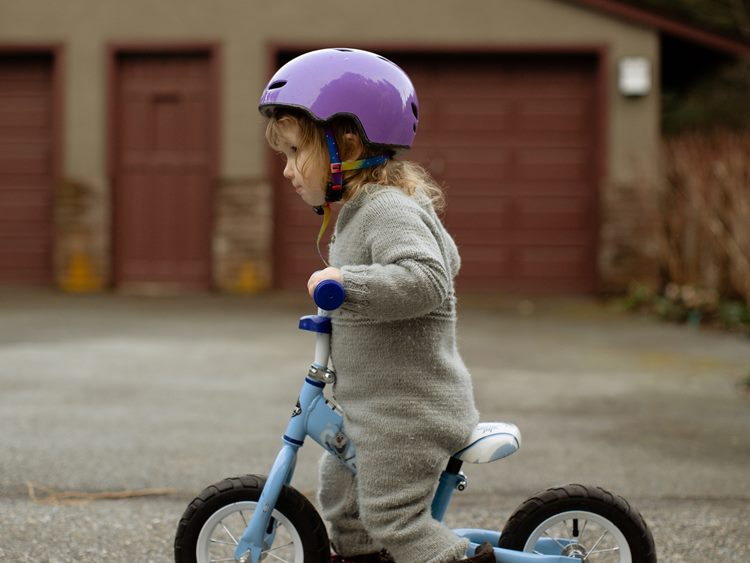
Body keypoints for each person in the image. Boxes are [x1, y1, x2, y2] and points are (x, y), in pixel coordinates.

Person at [259, 48, 494, 563]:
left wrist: (348, 285)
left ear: (345, 144)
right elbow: (440, 262)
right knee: (343, 507)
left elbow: (428, 278)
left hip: (407, 410)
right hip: (371, 407)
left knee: (393, 518)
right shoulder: (363, 210)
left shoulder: (385, 208)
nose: (287, 171)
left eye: (295, 151)